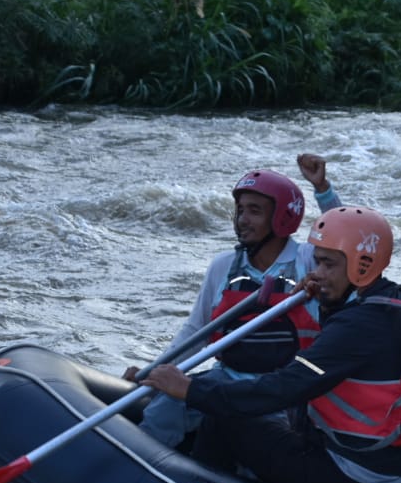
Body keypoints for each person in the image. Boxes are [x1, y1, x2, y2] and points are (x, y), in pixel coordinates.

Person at [143, 206, 401, 483]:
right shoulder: (397, 302)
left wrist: (192, 390)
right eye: (316, 262)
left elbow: (283, 388)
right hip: (390, 467)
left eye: (328, 264)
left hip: (359, 474)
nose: (317, 273)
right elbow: (344, 357)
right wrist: (324, 302)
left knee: (223, 419)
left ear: (363, 264)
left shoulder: (360, 324)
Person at [123, 154, 341, 446]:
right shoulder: (223, 266)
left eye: (254, 211)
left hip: (282, 393)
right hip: (224, 381)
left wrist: (323, 190)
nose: (242, 220)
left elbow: (344, 241)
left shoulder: (308, 260)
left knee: (261, 441)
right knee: (165, 406)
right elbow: (195, 332)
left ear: (281, 218)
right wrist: (153, 371)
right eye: (240, 210)